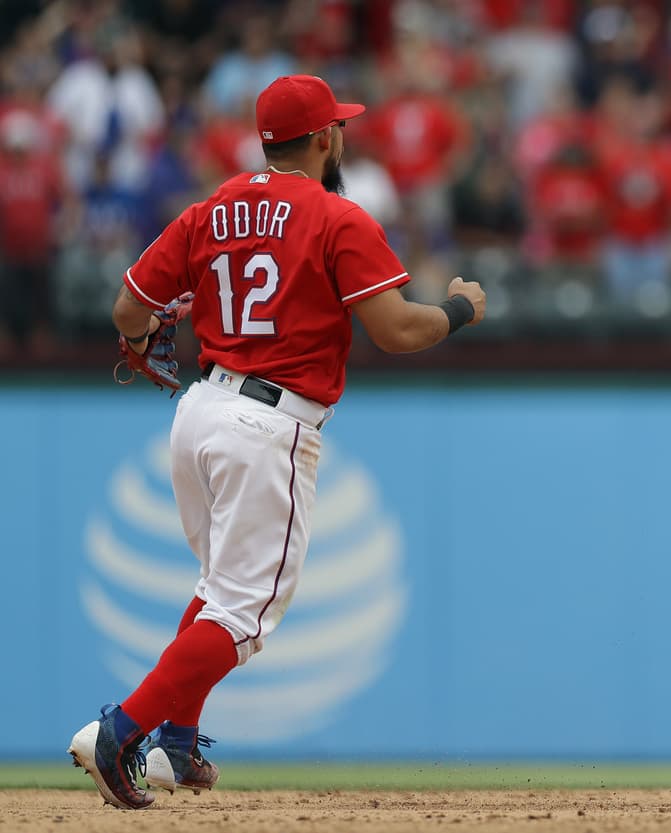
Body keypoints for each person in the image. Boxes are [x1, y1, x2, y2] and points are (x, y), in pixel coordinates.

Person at [67, 74, 486, 810]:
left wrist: (143, 337)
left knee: (216, 589)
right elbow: (396, 330)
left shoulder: (211, 208)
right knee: (242, 615)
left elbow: (129, 308)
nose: (342, 135)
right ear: (324, 137)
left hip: (200, 409)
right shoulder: (337, 216)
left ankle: (176, 745)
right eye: (338, 126)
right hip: (269, 423)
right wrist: (459, 308)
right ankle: (120, 732)